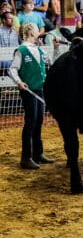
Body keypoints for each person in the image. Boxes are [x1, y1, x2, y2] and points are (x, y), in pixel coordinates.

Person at [8, 23, 56, 169]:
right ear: (30, 32)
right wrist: (19, 82)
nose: (39, 31)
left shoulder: (38, 50)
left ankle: (38, 153)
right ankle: (26, 157)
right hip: (29, 90)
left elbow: (51, 62)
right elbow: (12, 69)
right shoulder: (21, 50)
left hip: (40, 89)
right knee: (30, 122)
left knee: (39, 121)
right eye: (36, 29)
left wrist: (55, 48)